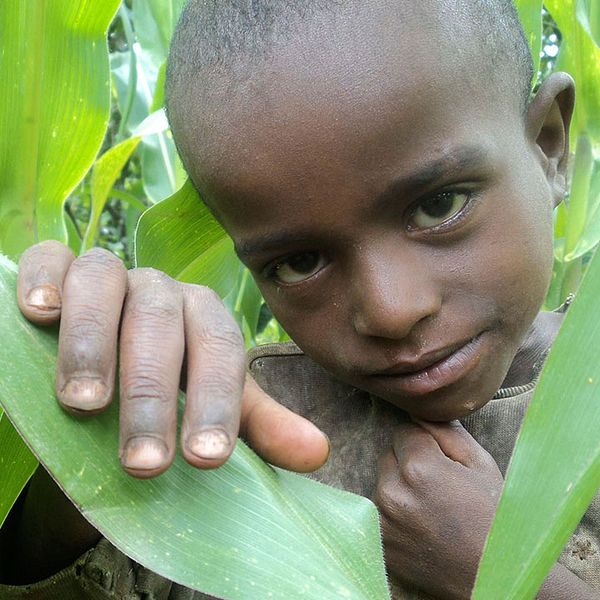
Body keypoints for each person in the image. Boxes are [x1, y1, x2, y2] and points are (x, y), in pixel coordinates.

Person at [1, 0, 599, 598]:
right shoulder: (231, 433)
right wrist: (85, 432)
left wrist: (503, 573)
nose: (391, 310)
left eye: (439, 205)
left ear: (549, 146)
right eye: (299, 262)